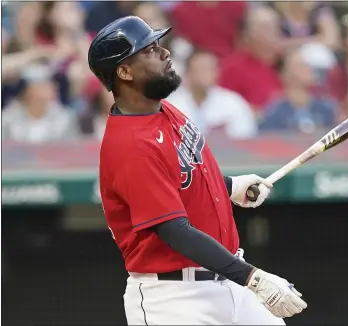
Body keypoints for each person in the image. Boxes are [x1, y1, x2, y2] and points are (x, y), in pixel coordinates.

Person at [88, 16, 307, 325]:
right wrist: (254, 279)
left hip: (229, 281)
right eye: (150, 50)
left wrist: (229, 186)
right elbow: (174, 230)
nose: (165, 54)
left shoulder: (164, 108)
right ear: (124, 71)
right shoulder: (129, 145)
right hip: (175, 299)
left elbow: (183, 175)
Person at [167, 49, 258, 139]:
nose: (207, 74)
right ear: (188, 73)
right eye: (202, 69)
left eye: (211, 69)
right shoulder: (171, 105)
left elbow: (246, 138)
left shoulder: (233, 103)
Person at [218, 6, 283, 113]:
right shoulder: (233, 67)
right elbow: (224, 106)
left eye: (276, 26)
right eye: (266, 27)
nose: (274, 32)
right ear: (249, 33)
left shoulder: (286, 63)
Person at [259, 46, 337, 133]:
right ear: (285, 74)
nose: (308, 70)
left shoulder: (325, 108)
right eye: (300, 66)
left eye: (308, 65)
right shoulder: (275, 112)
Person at [2, 63, 81, 143]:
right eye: (45, 83)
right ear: (28, 89)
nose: (53, 87)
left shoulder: (64, 118)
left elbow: (73, 150)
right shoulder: (7, 119)